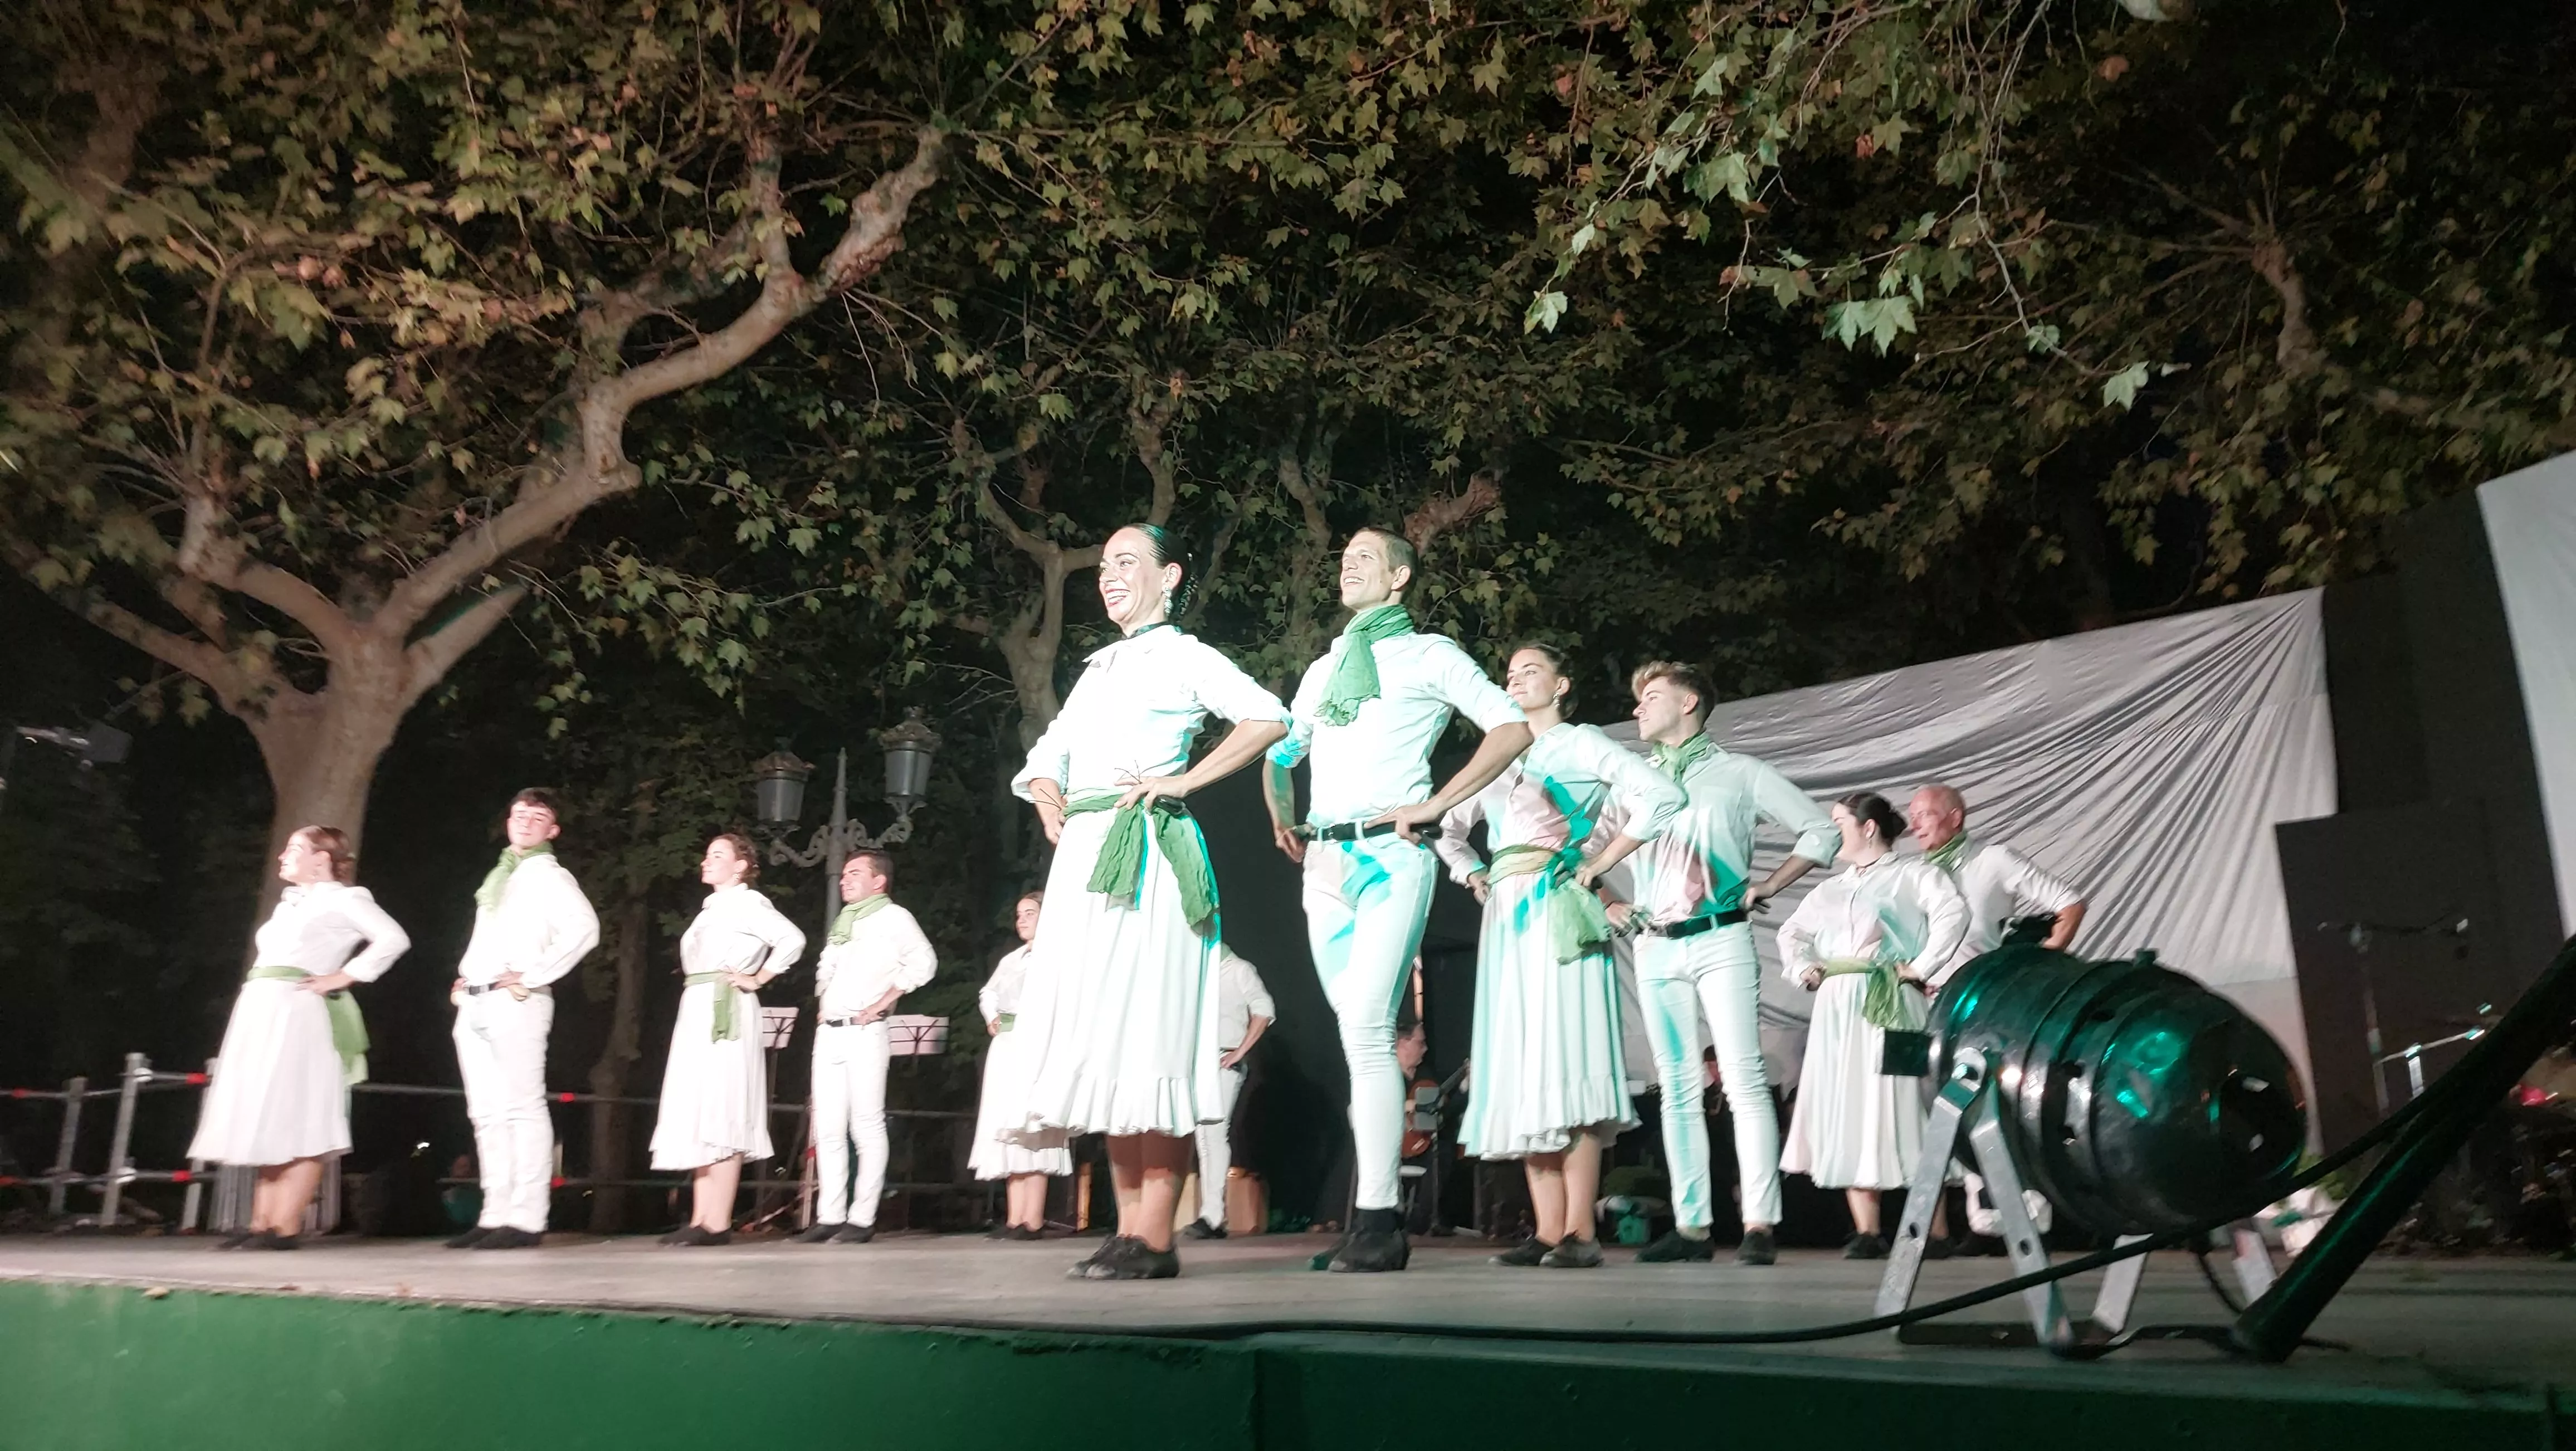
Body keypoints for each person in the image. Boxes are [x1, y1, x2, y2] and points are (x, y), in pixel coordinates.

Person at [1007, 523, 1290, 1281]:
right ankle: (1128, 1228)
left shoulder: (1185, 656)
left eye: (1126, 562)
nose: (1108, 575)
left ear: (1170, 576)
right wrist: (1043, 790)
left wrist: (1186, 782)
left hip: (1148, 855)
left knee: (1149, 1032)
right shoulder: (1100, 666)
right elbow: (1051, 748)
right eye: (1102, 566)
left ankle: (1157, 1235)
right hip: (1089, 857)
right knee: (1109, 1038)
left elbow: (1268, 717)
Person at [1263, 527, 1533, 1274]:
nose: (1347, 568)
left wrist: (1440, 804)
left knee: (1369, 1031)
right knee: (1359, 1038)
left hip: (1390, 856)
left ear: (1401, 577)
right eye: (1343, 559)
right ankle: (1373, 1219)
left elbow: (1509, 729)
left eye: (1365, 559)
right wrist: (1281, 811)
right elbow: (1282, 751)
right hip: (1326, 865)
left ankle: (1378, 1219)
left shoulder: (1429, 654)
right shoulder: (1323, 670)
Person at [1435, 644, 1682, 1268]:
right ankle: (1546, 1231)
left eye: (1531, 672)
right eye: (1510, 674)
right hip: (1506, 920)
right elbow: (1449, 828)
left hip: (1560, 907)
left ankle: (1582, 1233)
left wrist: (1597, 863)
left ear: (1561, 683)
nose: (1516, 681)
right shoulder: (1499, 750)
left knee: (1567, 1056)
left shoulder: (1581, 743)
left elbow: (1658, 795)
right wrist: (1470, 873)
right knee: (1523, 1061)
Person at [1612, 660, 1840, 1268]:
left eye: (1650, 697)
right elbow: (1592, 843)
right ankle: (1691, 1228)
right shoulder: (1632, 780)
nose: (1637, 708)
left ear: (1688, 702)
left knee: (1741, 1080)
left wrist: (1768, 884)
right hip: (1656, 943)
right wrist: (1611, 901)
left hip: (1720, 939)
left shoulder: (1739, 774)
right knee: (1677, 1089)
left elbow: (1820, 833)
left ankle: (1760, 1223)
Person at [189, 826, 408, 1249]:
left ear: (322, 860)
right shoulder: (290, 905)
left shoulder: (346, 899)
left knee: (301, 1111)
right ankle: (261, 1223)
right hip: (262, 1009)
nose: (282, 857)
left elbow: (394, 938)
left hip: (299, 1012)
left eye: (294, 849)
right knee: (269, 1109)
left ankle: (285, 1226)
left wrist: (344, 976)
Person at [1778, 792, 1969, 1259]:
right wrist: (1803, 968)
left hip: (1890, 997)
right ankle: (1867, 1230)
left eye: (1840, 822)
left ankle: (1933, 1228)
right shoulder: (1831, 888)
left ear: (1868, 828)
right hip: (1839, 1004)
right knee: (1848, 1103)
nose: (1833, 831)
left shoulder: (1913, 875)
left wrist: (1922, 966)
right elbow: (1792, 932)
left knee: (1905, 1103)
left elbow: (1953, 913)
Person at [1906, 783, 2088, 1240]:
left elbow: (2069, 903)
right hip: (1931, 1003)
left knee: (1995, 1106)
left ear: (1955, 817)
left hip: (1986, 1003)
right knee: (1948, 1109)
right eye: (1912, 816)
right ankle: (1981, 1219)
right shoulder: (1911, 875)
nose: (1915, 824)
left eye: (1926, 814)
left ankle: (2024, 1213)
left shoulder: (1993, 859)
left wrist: (2040, 961)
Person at [448, 788, 599, 1250]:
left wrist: (534, 975)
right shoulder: (501, 874)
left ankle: (528, 1218)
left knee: (522, 1107)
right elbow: (491, 935)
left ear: (553, 831)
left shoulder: (548, 875)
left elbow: (585, 930)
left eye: (539, 817)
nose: (526, 822)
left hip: (516, 1000)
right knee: (486, 1113)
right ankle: (495, 1214)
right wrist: (466, 976)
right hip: (478, 998)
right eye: (519, 814)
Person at [650, 832, 807, 1247]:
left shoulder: (748, 903)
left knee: (724, 1101)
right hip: (698, 1006)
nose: (707, 861)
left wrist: (758, 978)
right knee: (701, 1105)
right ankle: (700, 1216)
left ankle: (718, 1221)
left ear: (741, 866)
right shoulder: (711, 910)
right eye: (706, 855)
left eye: (718, 855)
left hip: (727, 1008)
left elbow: (793, 940)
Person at [796, 848, 934, 1245]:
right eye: (843, 874)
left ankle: (862, 1217)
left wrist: (884, 1001)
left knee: (867, 1124)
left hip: (864, 1030)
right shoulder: (845, 921)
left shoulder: (894, 917)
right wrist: (824, 998)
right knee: (828, 1126)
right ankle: (830, 1214)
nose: (844, 879)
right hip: (832, 1032)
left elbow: (924, 962)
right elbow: (828, 963)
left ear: (879, 881)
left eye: (855, 872)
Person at [973, 890, 1070, 1238]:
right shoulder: (1012, 959)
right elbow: (989, 992)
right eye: (1019, 915)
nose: (1022, 920)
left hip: (1037, 1045)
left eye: (1030, 913)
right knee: (1008, 1126)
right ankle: (1015, 1218)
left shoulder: (1058, 956)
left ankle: (1034, 1219)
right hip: (1009, 1045)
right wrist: (992, 1016)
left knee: (1033, 1125)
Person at [1183, 944, 1275, 1240]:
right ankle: (1210, 1214)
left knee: (1213, 1134)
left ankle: (1213, 1215)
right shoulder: (1199, 973)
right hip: (1199, 1063)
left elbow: (1265, 1011)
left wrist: (1239, 1052)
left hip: (1224, 1060)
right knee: (1203, 1137)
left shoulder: (1239, 970)